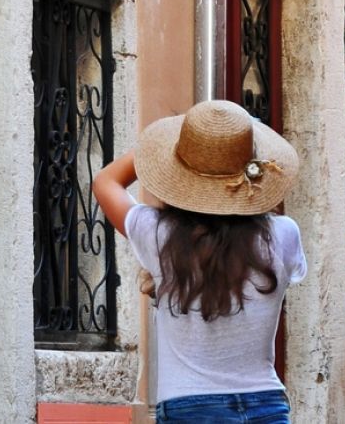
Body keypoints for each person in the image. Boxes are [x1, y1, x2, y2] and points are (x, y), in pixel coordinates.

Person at [93, 99, 305, 423]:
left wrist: (165, 152)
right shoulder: (284, 234)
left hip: (190, 407)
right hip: (266, 406)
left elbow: (105, 182)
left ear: (182, 173)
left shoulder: (159, 235)